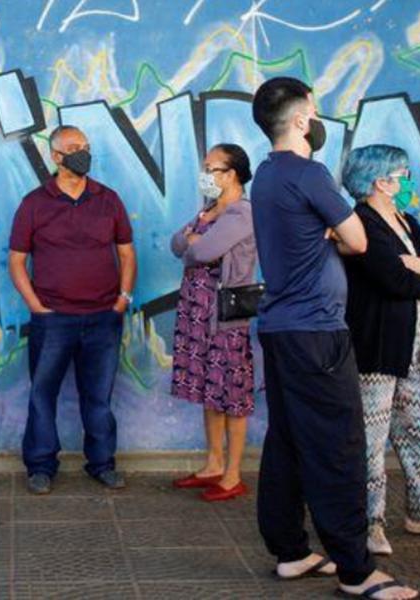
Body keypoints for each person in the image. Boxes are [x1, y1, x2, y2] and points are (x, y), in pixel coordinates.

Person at [250, 77, 417, 600]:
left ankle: (291, 551)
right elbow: (360, 239)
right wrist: (334, 230)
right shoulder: (310, 173)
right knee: (338, 446)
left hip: (282, 330)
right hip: (317, 333)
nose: (319, 120)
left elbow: (325, 237)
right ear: (302, 120)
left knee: (288, 440)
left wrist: (325, 232)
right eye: (315, 111)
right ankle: (355, 569)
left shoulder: (266, 176)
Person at [340, 144, 420, 555]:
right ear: (381, 181)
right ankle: (370, 524)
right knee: (372, 439)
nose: (408, 182)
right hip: (376, 349)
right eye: (402, 174)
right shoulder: (361, 223)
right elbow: (394, 281)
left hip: (413, 353)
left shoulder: (405, 221)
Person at [8, 125, 137, 495]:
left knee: (98, 396)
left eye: (87, 146)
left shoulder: (108, 199)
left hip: (103, 318)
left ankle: (101, 463)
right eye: (75, 147)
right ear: (56, 156)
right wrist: (37, 307)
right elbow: (17, 261)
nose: (84, 153)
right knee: (42, 394)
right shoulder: (35, 203)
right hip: (53, 320)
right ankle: (41, 466)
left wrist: (121, 300)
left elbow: (127, 253)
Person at [169, 143, 257, 502]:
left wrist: (195, 242)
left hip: (224, 316)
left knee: (231, 396)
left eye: (211, 168)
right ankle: (213, 464)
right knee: (210, 391)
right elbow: (178, 243)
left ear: (231, 174)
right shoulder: (209, 210)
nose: (205, 175)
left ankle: (233, 474)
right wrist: (196, 237)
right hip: (197, 312)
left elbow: (200, 252)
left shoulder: (241, 213)